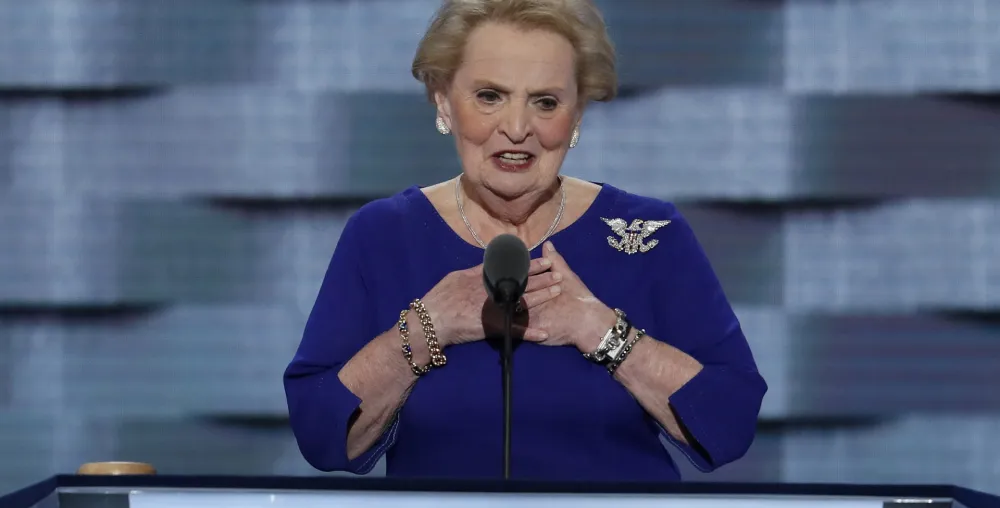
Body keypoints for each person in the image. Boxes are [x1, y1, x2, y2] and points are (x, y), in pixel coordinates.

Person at [284, 0, 767, 481]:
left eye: (546, 102)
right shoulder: (383, 235)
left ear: (576, 115)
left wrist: (599, 330)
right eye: (490, 96)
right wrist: (428, 326)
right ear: (443, 101)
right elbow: (320, 432)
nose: (517, 129)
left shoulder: (650, 234)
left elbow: (731, 422)